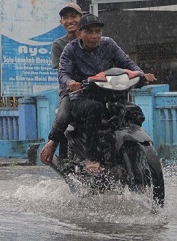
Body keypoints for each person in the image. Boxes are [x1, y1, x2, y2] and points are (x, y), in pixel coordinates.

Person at [57, 13, 155, 174]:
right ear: (80, 33)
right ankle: (91, 157)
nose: (95, 36)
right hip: (82, 97)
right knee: (94, 109)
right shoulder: (71, 49)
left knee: (133, 112)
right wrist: (71, 83)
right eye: (89, 32)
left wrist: (141, 75)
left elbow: (127, 63)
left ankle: (130, 155)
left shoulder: (108, 44)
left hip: (109, 94)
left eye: (98, 32)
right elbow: (64, 74)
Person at [40, 2, 82, 166]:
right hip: (70, 91)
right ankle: (53, 142)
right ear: (61, 22)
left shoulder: (96, 39)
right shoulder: (59, 45)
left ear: (81, 18)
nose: (70, 20)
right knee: (64, 114)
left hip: (96, 88)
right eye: (65, 17)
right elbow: (62, 72)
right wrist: (72, 82)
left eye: (74, 16)